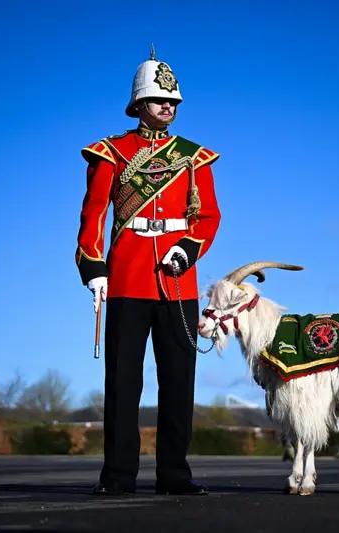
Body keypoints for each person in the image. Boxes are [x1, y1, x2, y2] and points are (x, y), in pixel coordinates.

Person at [75, 45, 222, 496]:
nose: (168, 107)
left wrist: (187, 250)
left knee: (179, 383)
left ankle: (174, 475)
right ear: (139, 103)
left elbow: (209, 216)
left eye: (173, 102)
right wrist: (93, 265)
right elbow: (94, 213)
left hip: (178, 281)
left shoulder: (195, 157)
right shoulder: (112, 153)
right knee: (123, 384)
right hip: (126, 278)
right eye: (160, 100)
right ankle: (118, 476)